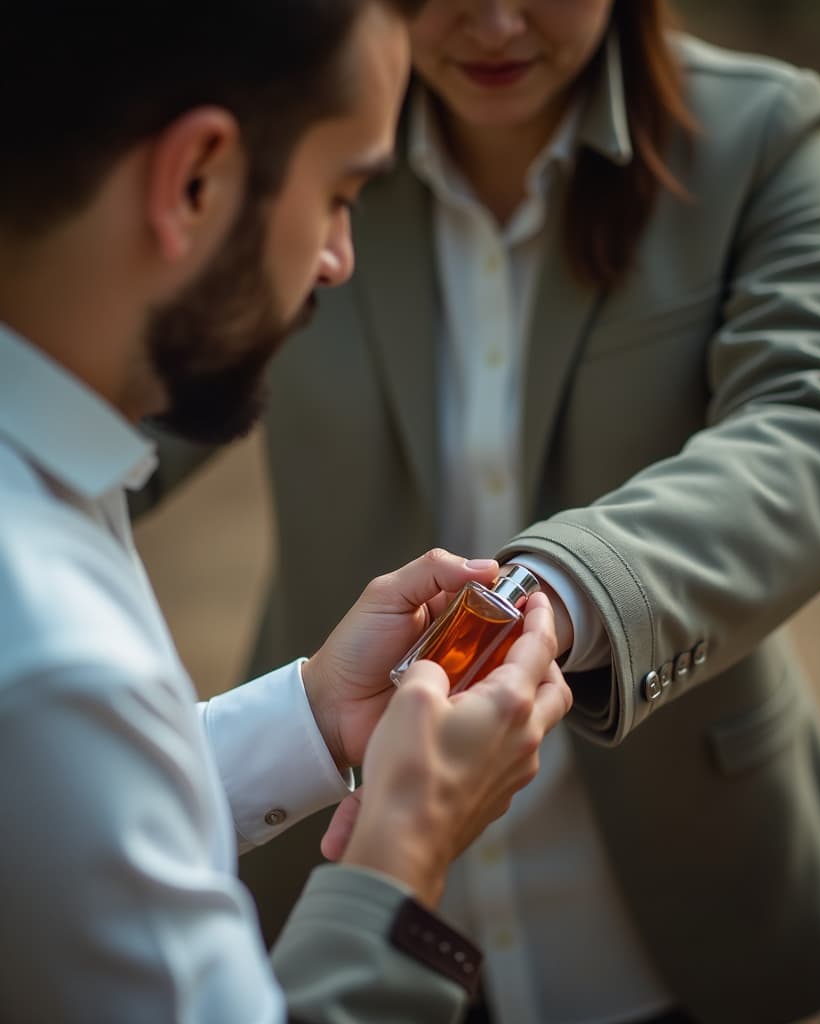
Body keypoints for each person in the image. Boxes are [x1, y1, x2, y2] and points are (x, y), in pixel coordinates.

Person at [136, 1, 820, 1022]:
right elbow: (128, 391)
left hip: (682, 880)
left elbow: (806, 425)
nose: (495, 19)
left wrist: (560, 589)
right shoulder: (299, 141)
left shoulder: (762, 136)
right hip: (339, 859)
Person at [0, 3, 576, 1023]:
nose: (337, 259)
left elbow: (56, 828)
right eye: (341, 192)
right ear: (197, 180)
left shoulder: (47, 484)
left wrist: (312, 713)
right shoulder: (55, 655)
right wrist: (406, 845)